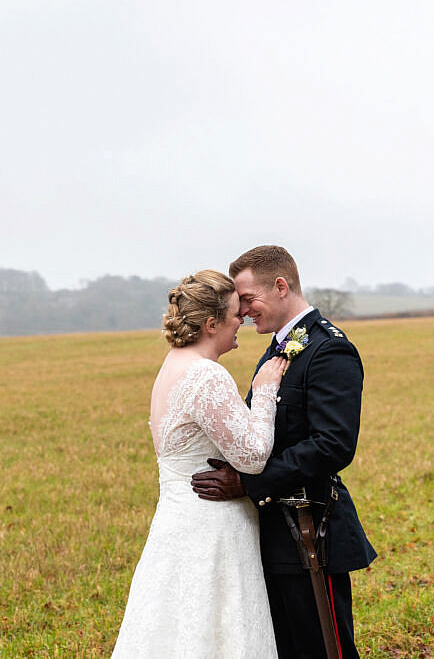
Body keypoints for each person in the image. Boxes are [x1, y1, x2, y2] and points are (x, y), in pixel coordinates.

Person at [191, 246, 377, 659]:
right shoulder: (280, 346)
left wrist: (248, 482)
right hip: (273, 533)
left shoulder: (329, 350)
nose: (241, 313)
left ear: (280, 286)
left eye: (247, 300)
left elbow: (334, 445)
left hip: (311, 532)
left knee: (323, 649)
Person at [111, 270, 286, 658]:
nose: (242, 319)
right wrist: (265, 392)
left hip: (175, 523)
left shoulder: (172, 365)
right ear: (211, 324)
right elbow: (254, 456)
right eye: (234, 314)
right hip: (212, 527)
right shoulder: (206, 375)